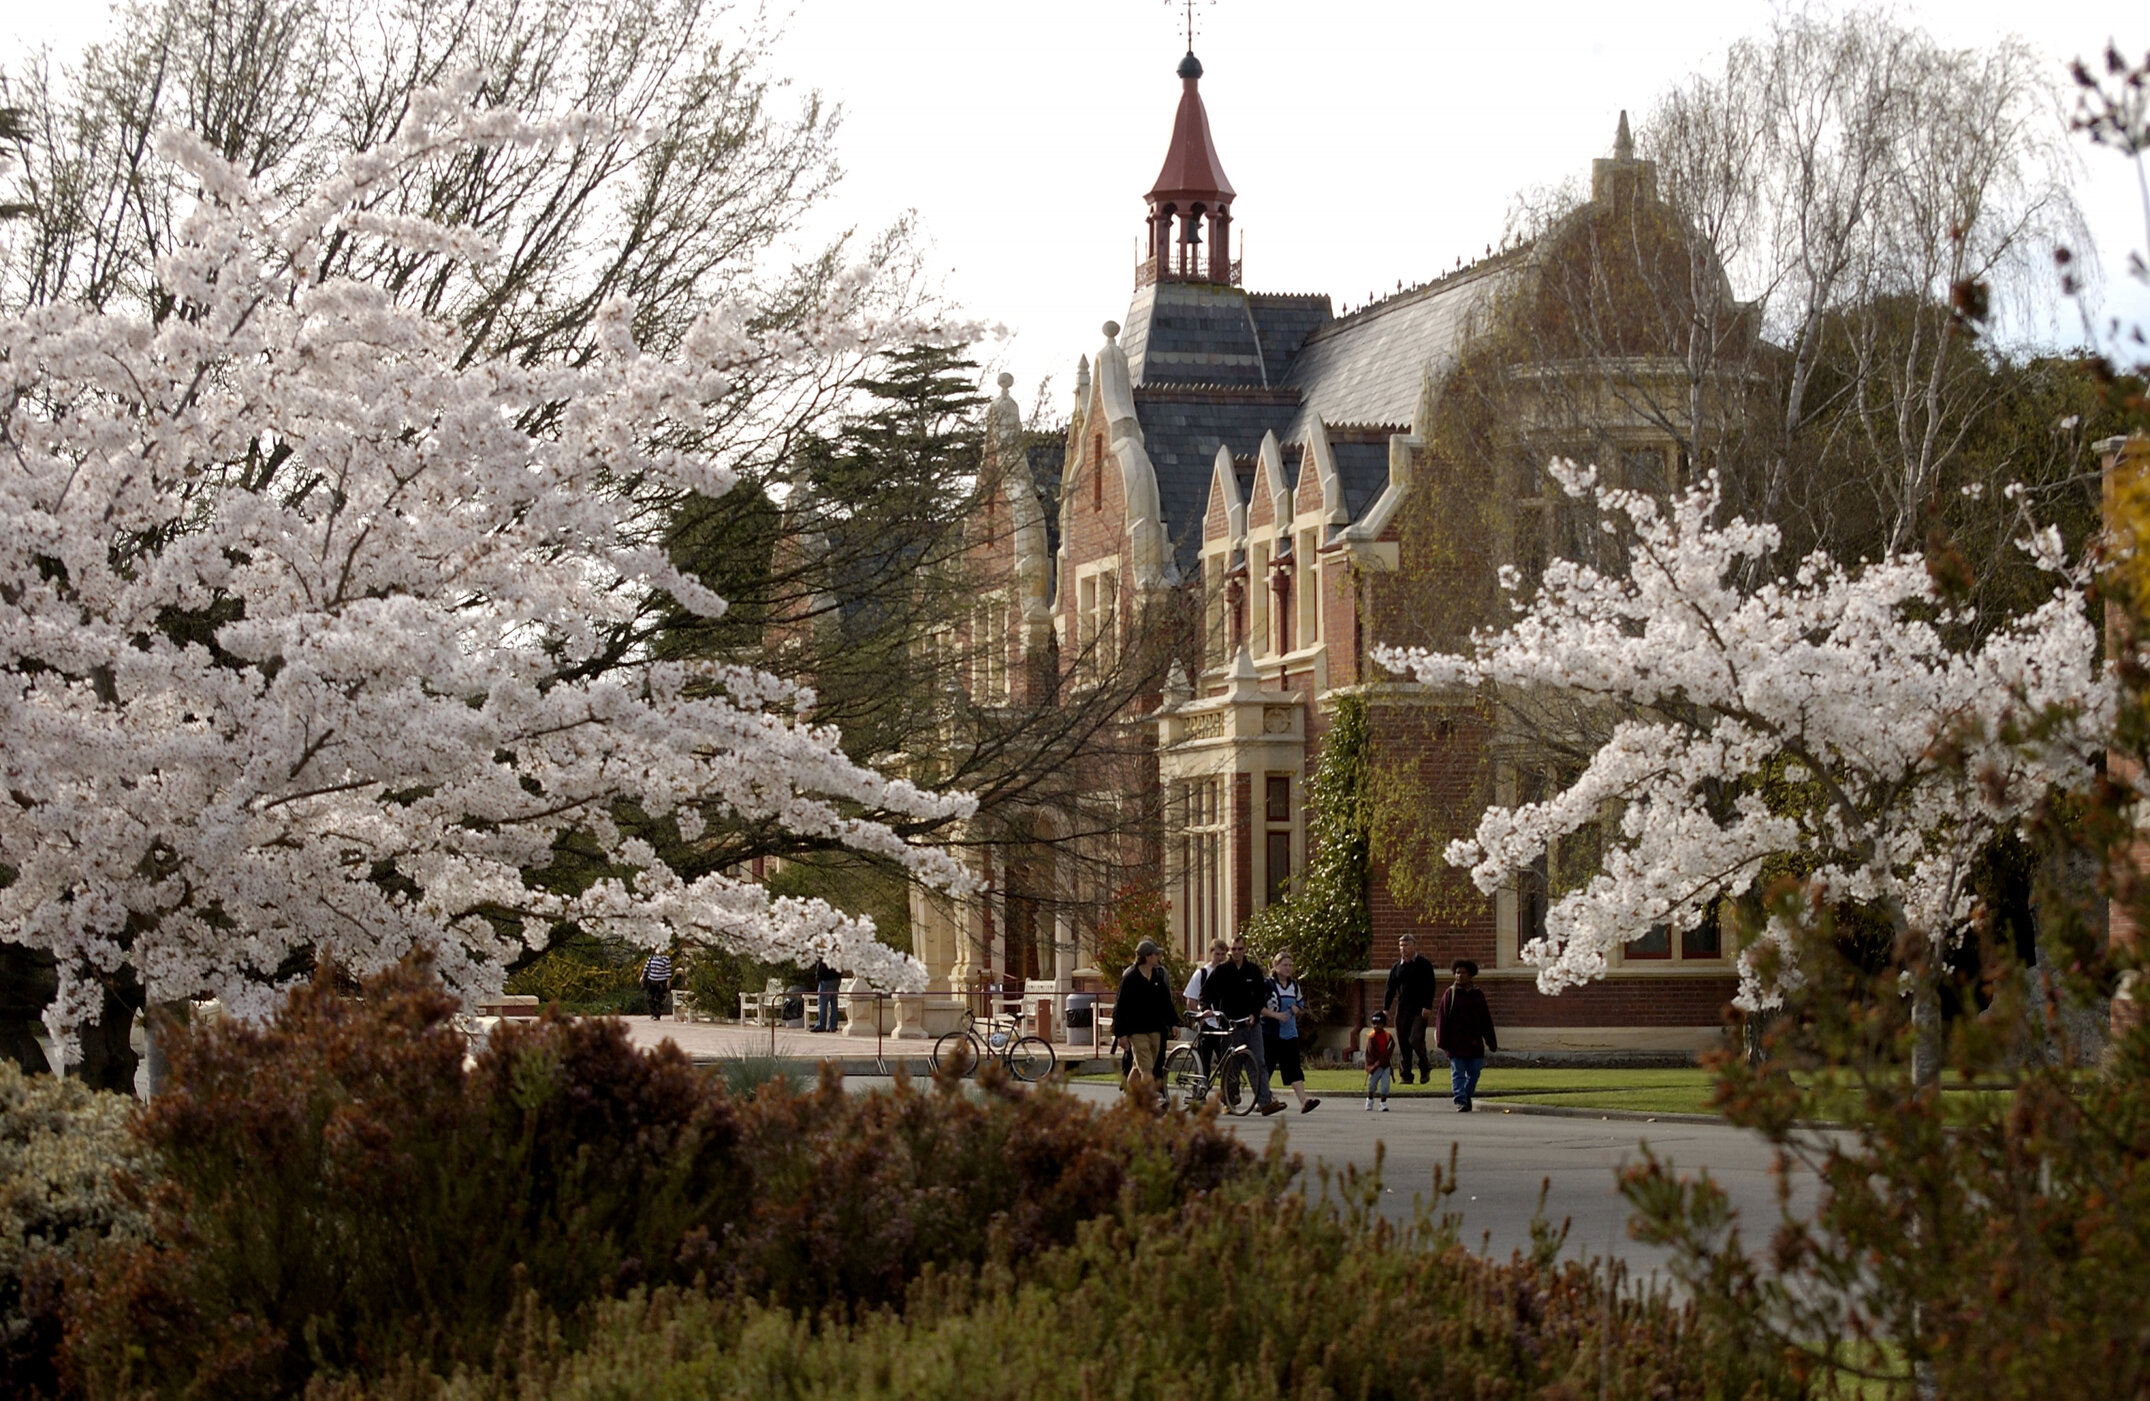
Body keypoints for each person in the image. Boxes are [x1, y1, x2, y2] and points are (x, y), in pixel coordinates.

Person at [1201, 936, 1285, 1115]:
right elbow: (1206, 992)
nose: (1236, 952)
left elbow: (1260, 997)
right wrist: (1207, 1009)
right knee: (1232, 1065)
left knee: (1258, 1063)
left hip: (1251, 1026)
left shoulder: (1253, 971)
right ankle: (1229, 1101)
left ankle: (1265, 1102)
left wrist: (1254, 1014)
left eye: (1240, 948)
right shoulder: (1222, 971)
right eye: (1234, 949)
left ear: (1245, 949)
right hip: (1230, 1026)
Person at [1110, 939, 1179, 1088]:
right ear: (1147, 957)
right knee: (1147, 1069)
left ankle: (1132, 1101)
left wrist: (1173, 1023)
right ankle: (1152, 1104)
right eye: (1155, 954)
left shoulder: (1157, 977)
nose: (1158, 957)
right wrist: (1120, 1033)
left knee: (1139, 1066)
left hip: (1155, 1029)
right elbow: (1121, 1006)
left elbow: (1165, 1002)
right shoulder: (1130, 979)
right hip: (1137, 1031)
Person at [1434, 958, 1498, 1112]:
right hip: (1455, 1043)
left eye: (1463, 973)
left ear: (1470, 975)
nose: (1459, 976)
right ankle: (1460, 1100)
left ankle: (1467, 1094)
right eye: (1457, 973)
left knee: (1475, 1072)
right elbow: (1441, 1018)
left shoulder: (1477, 995)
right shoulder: (1451, 994)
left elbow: (1485, 1020)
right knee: (1458, 1073)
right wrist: (1442, 1041)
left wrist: (1491, 1041)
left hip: (1474, 1042)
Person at [1262, 950, 1320, 1113]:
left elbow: (1300, 1004)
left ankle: (1304, 1101)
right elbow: (1259, 1008)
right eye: (1284, 965)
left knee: (1293, 1067)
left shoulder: (1294, 985)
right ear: (1276, 966)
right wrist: (1276, 1015)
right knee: (1267, 1067)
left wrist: (1296, 1009)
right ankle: (1262, 1100)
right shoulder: (1268, 985)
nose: (1288, 968)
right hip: (1271, 1033)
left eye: (1290, 965)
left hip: (1289, 1033)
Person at [1383, 934, 1438, 1084]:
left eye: (1406, 945)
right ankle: (1406, 1075)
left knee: (1415, 1039)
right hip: (1403, 1010)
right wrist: (1386, 1008)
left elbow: (1430, 986)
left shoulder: (1423, 964)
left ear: (1414, 946)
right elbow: (1390, 988)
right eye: (1401, 945)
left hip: (1420, 1010)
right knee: (1403, 1043)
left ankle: (1424, 1066)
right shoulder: (1397, 967)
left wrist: (1428, 1006)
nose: (1403, 948)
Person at [1182, 938, 1229, 1073]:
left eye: (1223, 955)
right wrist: (1199, 1019)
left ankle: (1228, 1091)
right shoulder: (1201, 974)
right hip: (1206, 1023)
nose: (1220, 958)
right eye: (1217, 954)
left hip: (1222, 1022)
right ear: (1211, 953)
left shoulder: (1227, 973)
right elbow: (1191, 999)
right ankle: (1200, 1089)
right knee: (1204, 1061)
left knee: (1225, 1060)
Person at [1361, 1010, 1394, 1112]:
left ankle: (1383, 1103)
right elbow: (1370, 1052)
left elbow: (1391, 1046)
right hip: (1375, 1065)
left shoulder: (1388, 1036)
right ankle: (1369, 1100)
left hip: (1385, 1065)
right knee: (1372, 1085)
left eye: (1378, 1024)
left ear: (1383, 1024)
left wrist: (1385, 1057)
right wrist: (1373, 1064)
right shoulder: (1372, 1037)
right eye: (1374, 1023)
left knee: (1385, 1085)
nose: (1376, 1026)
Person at [640, 947, 674, 1020]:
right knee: (650, 998)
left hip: (661, 981)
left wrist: (668, 981)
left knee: (659, 998)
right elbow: (646, 968)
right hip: (651, 979)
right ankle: (652, 1013)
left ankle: (657, 1015)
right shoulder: (652, 957)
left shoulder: (666, 959)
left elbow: (668, 971)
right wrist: (642, 977)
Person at [810, 956, 841, 1033]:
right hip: (836, 979)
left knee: (822, 1004)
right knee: (834, 1004)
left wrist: (818, 977)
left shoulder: (824, 953)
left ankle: (821, 1025)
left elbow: (820, 967)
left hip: (826, 980)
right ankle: (833, 1026)